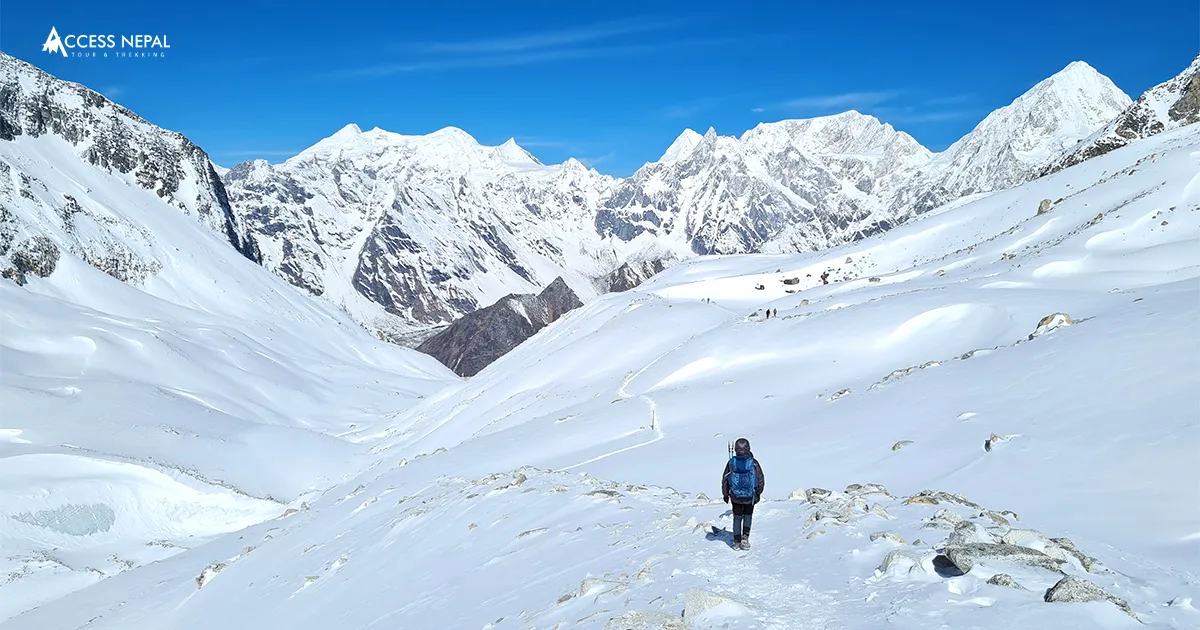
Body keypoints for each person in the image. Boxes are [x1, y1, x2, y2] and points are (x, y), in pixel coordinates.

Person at [722, 437, 765, 550]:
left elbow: (725, 478)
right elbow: (760, 479)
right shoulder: (753, 463)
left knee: (737, 517)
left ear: (736, 449)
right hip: (750, 496)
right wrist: (758, 493)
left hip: (735, 496)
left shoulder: (732, 462)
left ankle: (736, 542)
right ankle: (745, 538)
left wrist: (725, 494)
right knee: (748, 516)